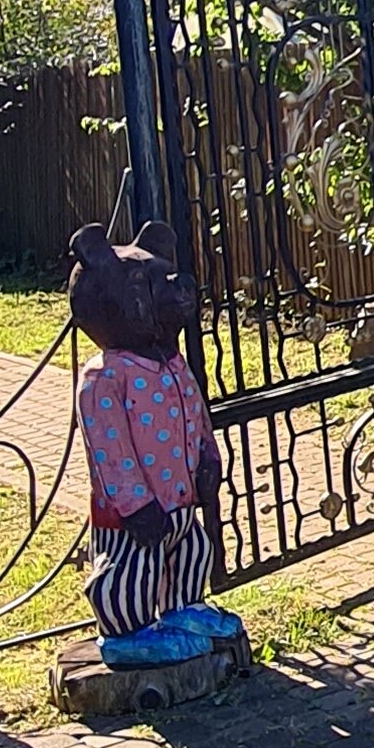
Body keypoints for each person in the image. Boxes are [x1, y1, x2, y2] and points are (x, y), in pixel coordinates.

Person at [68, 222, 245, 665]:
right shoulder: (105, 377)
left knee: (192, 549)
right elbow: (111, 454)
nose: (172, 291)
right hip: (135, 514)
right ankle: (127, 634)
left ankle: (184, 607)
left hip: (181, 498)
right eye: (149, 285)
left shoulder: (171, 362)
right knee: (133, 570)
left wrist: (208, 457)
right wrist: (134, 505)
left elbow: (196, 414)